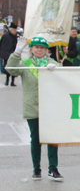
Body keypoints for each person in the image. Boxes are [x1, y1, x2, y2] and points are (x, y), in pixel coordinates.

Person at [6, 36, 63, 181]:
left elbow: (63, 77)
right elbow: (10, 69)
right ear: (31, 49)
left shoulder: (52, 63)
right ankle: (36, 168)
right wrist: (17, 51)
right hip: (32, 105)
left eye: (42, 47)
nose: (39, 50)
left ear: (46, 50)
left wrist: (57, 70)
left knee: (52, 138)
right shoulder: (25, 63)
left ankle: (53, 168)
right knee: (36, 139)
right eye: (36, 47)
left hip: (50, 106)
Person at [0, 22, 18, 86]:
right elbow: (2, 45)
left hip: (14, 54)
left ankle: (12, 82)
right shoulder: (5, 36)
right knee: (7, 68)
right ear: (11, 30)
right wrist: (2, 55)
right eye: (14, 30)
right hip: (7, 55)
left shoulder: (15, 36)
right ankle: (7, 80)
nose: (15, 31)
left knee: (14, 68)